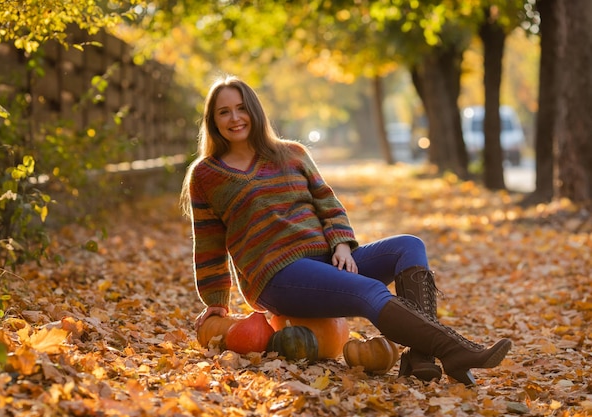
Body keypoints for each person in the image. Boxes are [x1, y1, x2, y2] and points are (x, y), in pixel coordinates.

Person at [180, 74, 511, 385]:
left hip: (329, 258)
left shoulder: (292, 154)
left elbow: (328, 204)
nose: (234, 118)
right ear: (213, 121)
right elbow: (209, 244)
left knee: (408, 246)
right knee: (369, 291)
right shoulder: (206, 176)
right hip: (276, 275)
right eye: (224, 112)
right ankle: (453, 350)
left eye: (241, 108)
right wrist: (215, 301)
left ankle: (420, 357)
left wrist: (341, 244)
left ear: (254, 111)